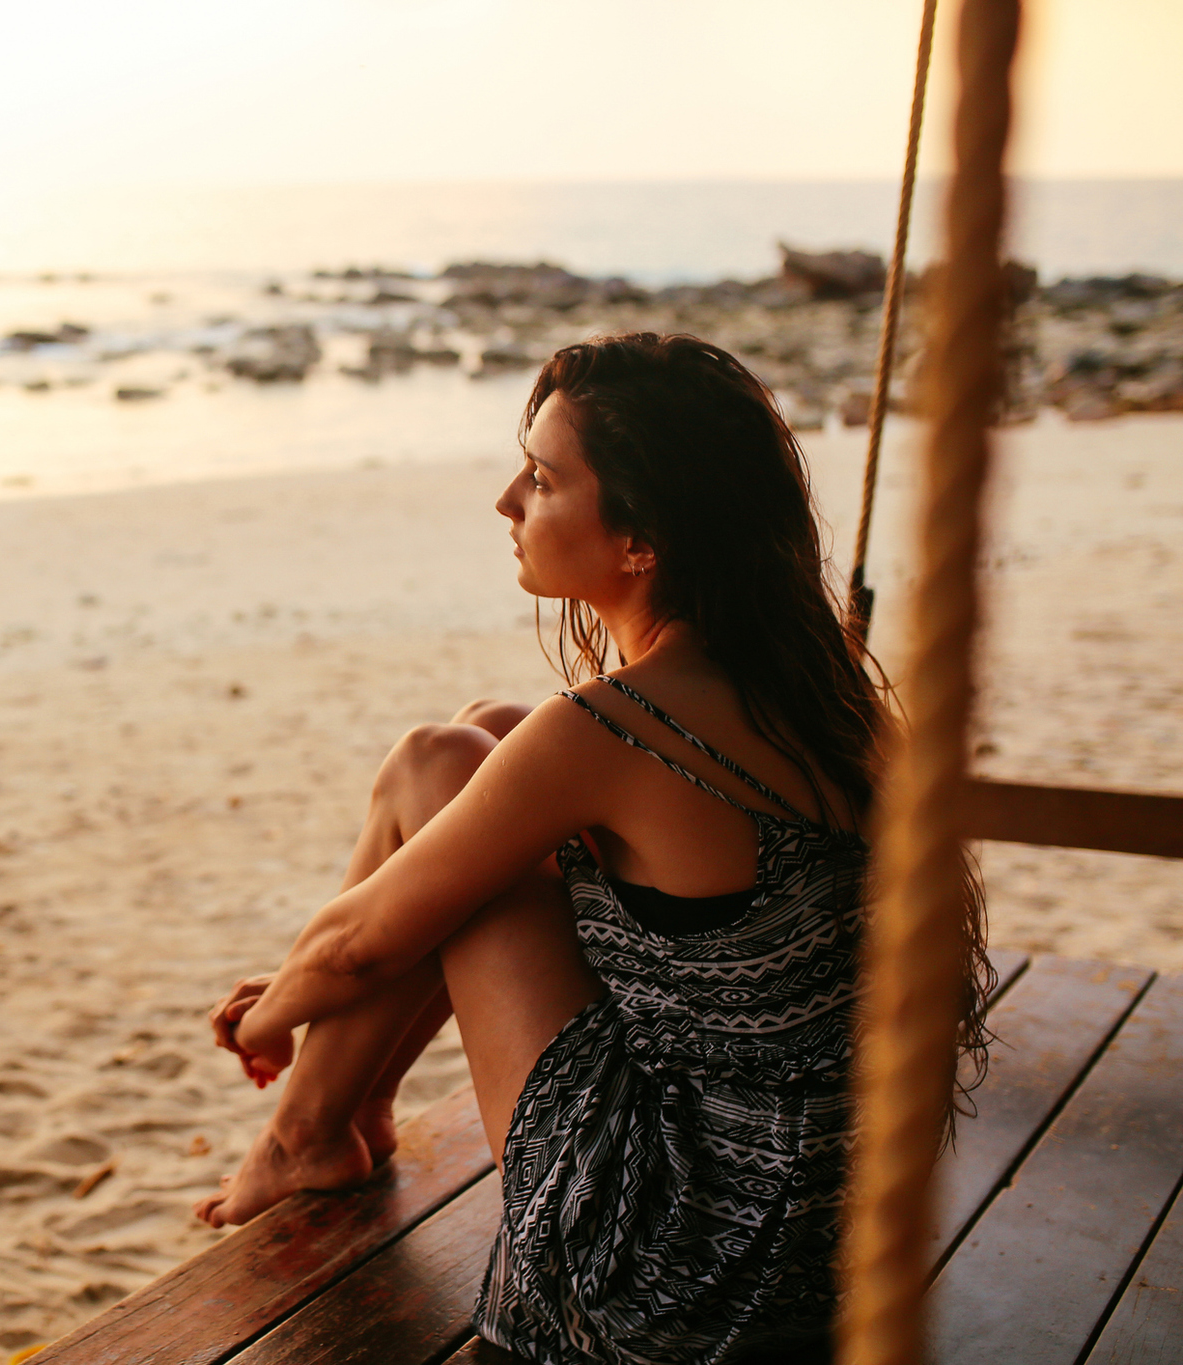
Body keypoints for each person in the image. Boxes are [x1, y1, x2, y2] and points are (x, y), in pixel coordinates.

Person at [194, 333, 989, 1363]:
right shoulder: (818, 690)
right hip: (834, 1245)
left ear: (640, 540)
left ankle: (303, 1134)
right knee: (485, 726)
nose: (504, 501)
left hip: (671, 1279)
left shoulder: (621, 726)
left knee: (436, 764)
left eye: (540, 477)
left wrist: (274, 1012)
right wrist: (310, 981)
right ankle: (339, 1116)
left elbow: (361, 947)